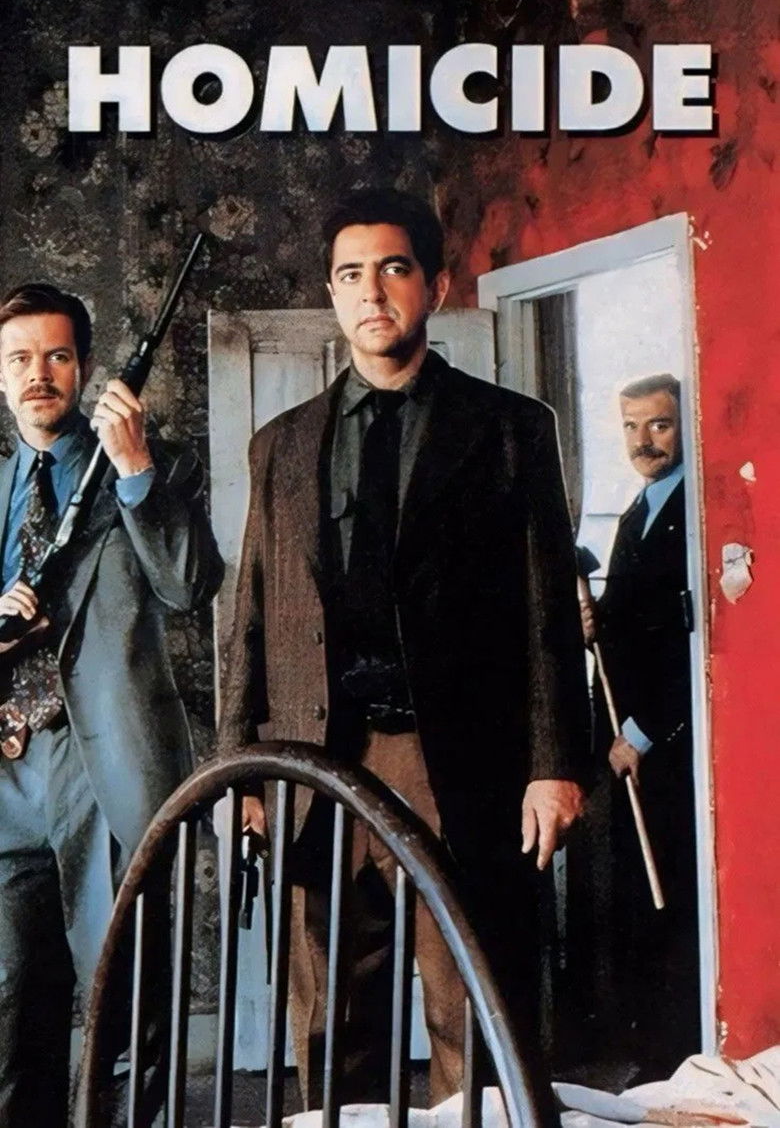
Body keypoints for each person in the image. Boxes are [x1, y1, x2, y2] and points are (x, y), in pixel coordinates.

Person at [219, 187, 590, 1112]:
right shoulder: (280, 446)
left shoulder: (508, 430)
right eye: (351, 274)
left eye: (393, 268)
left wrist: (553, 765)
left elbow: (548, 611)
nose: (372, 291)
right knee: (331, 1012)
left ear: (436, 285)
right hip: (317, 761)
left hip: (455, 759)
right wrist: (241, 768)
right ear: (332, 293)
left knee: (470, 1004)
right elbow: (250, 614)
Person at [0, 282, 224, 1126]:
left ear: (85, 366)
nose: (39, 374)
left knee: (131, 1007)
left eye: (57, 356)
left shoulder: (155, 465)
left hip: (109, 771)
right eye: (20, 359)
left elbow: (189, 587)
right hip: (8, 782)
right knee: (14, 1012)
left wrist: (134, 470)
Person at [585, 373, 699, 1078]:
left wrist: (645, 733)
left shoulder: (698, 507)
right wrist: (593, 617)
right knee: (637, 901)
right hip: (627, 743)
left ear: (685, 425)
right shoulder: (637, 513)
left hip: (671, 746)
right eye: (631, 427)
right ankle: (651, 1056)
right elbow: (633, 622)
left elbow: (695, 638)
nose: (643, 441)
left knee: (674, 900)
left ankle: (677, 1058)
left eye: (659, 425)